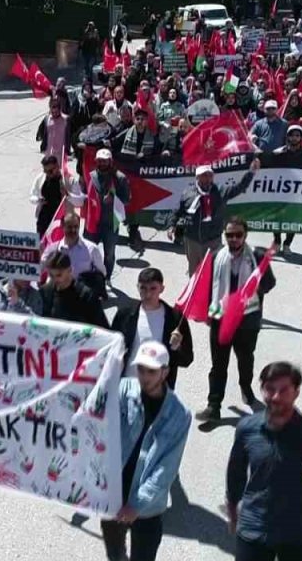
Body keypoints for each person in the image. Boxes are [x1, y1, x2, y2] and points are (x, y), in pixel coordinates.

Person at [225, 362, 302, 561]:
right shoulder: (247, 429)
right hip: (254, 528)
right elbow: (235, 474)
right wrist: (232, 511)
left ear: (296, 392)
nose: (276, 397)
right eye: (270, 389)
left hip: (299, 535)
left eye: (284, 390)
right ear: (261, 389)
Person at [98, 342, 190, 561]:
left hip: (147, 507)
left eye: (152, 371)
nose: (144, 376)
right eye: (141, 369)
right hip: (114, 494)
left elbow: (167, 468)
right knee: (114, 551)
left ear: (165, 372)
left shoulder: (179, 414)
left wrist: (137, 505)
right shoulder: (123, 390)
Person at [195, 218, 277, 424]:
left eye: (238, 235)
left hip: (247, 322)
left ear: (245, 235)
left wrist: (256, 286)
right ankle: (214, 406)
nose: (233, 239)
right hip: (220, 319)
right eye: (229, 235)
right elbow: (206, 287)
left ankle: (246, 387)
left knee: (245, 359)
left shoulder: (257, 256)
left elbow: (270, 283)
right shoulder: (215, 257)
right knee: (218, 365)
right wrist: (208, 313)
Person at [109, 268, 194, 389]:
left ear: (162, 288)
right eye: (143, 288)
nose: (148, 294)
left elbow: (187, 360)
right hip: (126, 386)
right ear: (137, 287)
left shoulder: (175, 319)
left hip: (158, 391)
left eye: (153, 288)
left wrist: (177, 347)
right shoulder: (125, 314)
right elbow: (111, 347)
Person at [171, 161, 260, 275]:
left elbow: (239, 187)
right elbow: (178, 210)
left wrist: (251, 172)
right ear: (197, 177)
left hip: (213, 241)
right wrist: (172, 225)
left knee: (212, 273)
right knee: (194, 272)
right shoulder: (188, 193)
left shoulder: (221, 191)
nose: (208, 178)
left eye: (210, 175)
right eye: (204, 175)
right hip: (192, 240)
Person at [86, 148, 131, 274]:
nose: (102, 164)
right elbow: (85, 196)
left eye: (105, 161)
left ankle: (107, 277)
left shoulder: (120, 178)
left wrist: (114, 198)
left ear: (110, 162)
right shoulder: (91, 176)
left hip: (111, 223)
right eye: (100, 161)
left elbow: (127, 200)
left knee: (109, 254)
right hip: (93, 222)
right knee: (88, 252)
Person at [38, 252, 107, 328]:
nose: (55, 279)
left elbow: (102, 328)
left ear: (70, 270)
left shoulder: (86, 296)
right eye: (51, 275)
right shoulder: (45, 292)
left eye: (59, 275)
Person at [270, 126, 302, 253]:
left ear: (301, 138)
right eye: (292, 135)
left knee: (293, 218)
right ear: (288, 137)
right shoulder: (278, 152)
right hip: (280, 190)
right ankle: (277, 242)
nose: (295, 138)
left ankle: (287, 244)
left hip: (297, 191)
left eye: (297, 135)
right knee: (277, 217)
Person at [29, 154, 86, 235]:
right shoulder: (41, 177)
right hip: (44, 219)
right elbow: (32, 195)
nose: (48, 174)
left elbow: (80, 202)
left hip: (63, 221)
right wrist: (38, 200)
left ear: (57, 166)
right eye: (45, 171)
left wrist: (68, 195)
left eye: (50, 171)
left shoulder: (69, 180)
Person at [41, 212, 106, 281]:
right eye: (69, 227)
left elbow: (101, 273)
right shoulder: (52, 249)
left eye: (76, 226)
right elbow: (38, 269)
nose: (73, 230)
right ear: (62, 226)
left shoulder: (92, 249)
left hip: (81, 290)